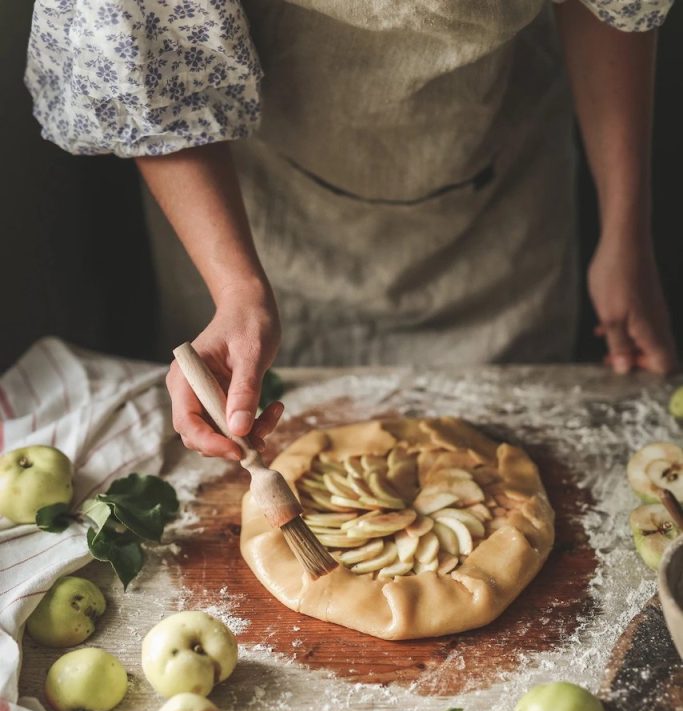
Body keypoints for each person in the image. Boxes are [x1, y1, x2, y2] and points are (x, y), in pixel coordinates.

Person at [26, 0, 677, 462]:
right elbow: (147, 62)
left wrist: (624, 233)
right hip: (256, 209)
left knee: (515, 448)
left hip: (498, 190)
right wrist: (236, 290)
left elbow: (609, 8)